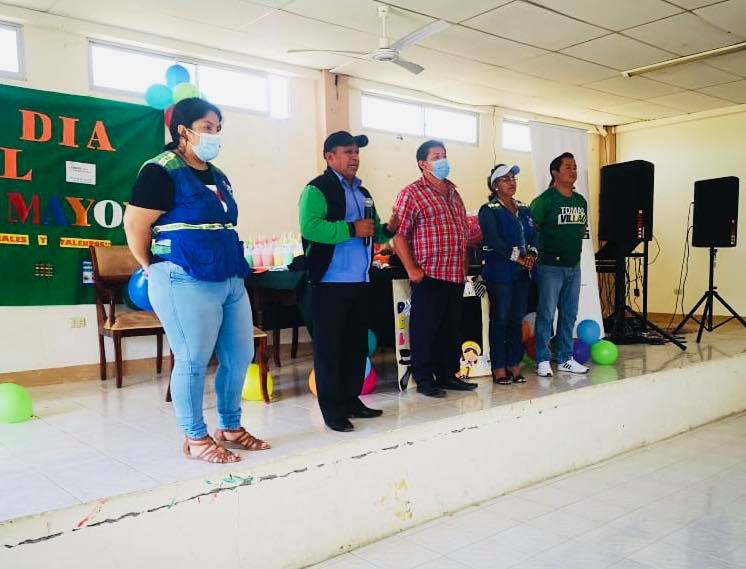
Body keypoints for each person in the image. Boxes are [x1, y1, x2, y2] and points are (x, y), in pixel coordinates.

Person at [124, 97, 269, 464]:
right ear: (183, 130)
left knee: (240, 355)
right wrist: (151, 266)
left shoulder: (217, 175)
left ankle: (230, 428)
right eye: (207, 127)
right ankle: (195, 438)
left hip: (229, 275)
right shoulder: (160, 171)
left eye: (217, 128)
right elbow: (135, 225)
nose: (214, 135)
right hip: (183, 275)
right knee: (192, 359)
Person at [299, 131, 398, 432]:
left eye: (356, 152)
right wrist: (351, 229)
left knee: (356, 346)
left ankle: (352, 400)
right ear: (329, 157)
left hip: (360, 280)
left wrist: (388, 229)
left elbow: (373, 230)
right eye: (347, 152)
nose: (354, 157)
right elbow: (311, 227)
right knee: (330, 349)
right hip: (329, 282)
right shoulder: (317, 189)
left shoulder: (363, 192)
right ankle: (332, 410)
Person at [393, 140, 477, 398]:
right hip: (429, 273)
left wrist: (464, 265)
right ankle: (424, 379)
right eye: (436, 156)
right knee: (425, 330)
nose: (443, 161)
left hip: (455, 273)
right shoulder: (411, 193)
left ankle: (448, 374)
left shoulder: (454, 192)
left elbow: (461, 231)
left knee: (450, 330)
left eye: (444, 155)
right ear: (423, 164)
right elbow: (398, 234)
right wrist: (411, 268)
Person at [530, 152, 589, 377]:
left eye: (574, 167)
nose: (573, 171)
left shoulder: (580, 201)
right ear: (555, 172)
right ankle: (543, 359)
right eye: (568, 167)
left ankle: (565, 358)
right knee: (546, 314)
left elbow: (581, 230)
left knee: (569, 313)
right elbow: (532, 228)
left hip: (574, 266)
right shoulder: (545, 200)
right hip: (549, 267)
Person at [478, 164, 537, 385]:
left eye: (513, 178)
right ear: (495, 185)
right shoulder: (489, 209)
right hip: (500, 273)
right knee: (500, 319)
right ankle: (499, 367)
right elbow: (494, 240)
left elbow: (535, 235)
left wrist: (532, 254)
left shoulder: (524, 208)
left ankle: (514, 364)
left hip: (522, 275)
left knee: (516, 319)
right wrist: (518, 258)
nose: (511, 182)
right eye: (505, 179)